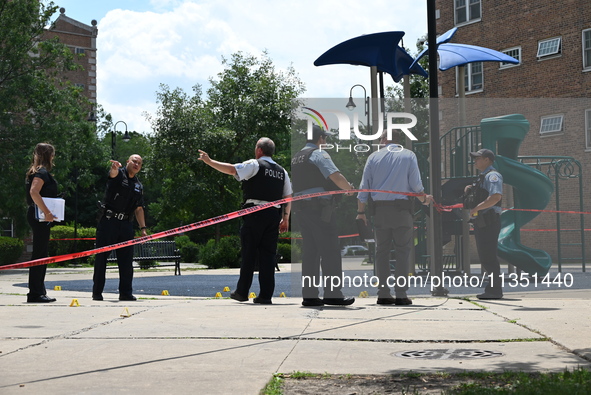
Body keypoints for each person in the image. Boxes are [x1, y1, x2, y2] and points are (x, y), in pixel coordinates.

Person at [198, 137, 292, 305]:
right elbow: (288, 196)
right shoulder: (282, 171)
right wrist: (286, 218)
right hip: (274, 215)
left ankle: (242, 292)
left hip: (255, 214)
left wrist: (209, 161)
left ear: (259, 150)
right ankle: (265, 295)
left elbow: (232, 170)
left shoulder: (255, 165)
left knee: (249, 253)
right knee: (268, 257)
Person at [356, 131, 432, 306]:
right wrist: (425, 200)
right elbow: (416, 186)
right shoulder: (408, 156)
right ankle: (401, 294)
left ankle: (383, 293)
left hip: (380, 212)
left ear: (384, 140)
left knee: (381, 253)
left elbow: (363, 189)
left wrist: (361, 212)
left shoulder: (373, 158)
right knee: (403, 252)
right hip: (402, 212)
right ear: (398, 140)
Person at [291, 125, 355, 307]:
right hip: (320, 210)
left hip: (302, 210)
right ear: (320, 138)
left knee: (310, 253)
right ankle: (333, 294)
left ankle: (310, 296)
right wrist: (348, 189)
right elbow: (335, 175)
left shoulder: (297, 157)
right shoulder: (318, 154)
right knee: (331, 252)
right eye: (325, 139)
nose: (325, 142)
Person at [93, 154, 148, 301]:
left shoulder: (138, 185)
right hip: (109, 221)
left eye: (139, 163)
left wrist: (143, 228)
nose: (136, 164)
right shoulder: (119, 174)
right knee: (101, 258)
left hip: (126, 224)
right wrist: (113, 168)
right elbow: (112, 175)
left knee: (126, 261)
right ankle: (97, 292)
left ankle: (126, 293)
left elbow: (139, 208)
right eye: (134, 161)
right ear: (127, 162)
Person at [465, 148, 504, 300]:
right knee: (485, 256)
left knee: (488, 256)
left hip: (489, 220)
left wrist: (476, 208)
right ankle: (492, 289)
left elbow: (495, 197)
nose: (475, 161)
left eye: (478, 158)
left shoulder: (492, 176)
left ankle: (494, 291)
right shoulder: (483, 177)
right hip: (483, 221)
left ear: (487, 159)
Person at [25, 143, 59, 303]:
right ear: (48, 156)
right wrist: (47, 212)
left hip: (37, 215)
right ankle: (35, 293)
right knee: (40, 254)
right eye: (52, 155)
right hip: (39, 216)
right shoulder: (42, 172)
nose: (53, 158)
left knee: (41, 254)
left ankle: (38, 290)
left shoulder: (36, 171)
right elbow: (34, 192)